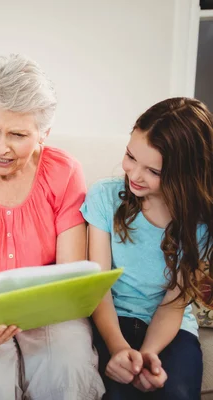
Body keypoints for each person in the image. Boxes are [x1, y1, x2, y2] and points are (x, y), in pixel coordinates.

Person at [0, 54, 105, 400]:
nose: (1, 147)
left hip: (48, 311)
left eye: (17, 134)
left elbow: (69, 276)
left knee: (67, 365)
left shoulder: (64, 172)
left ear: (44, 133)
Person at [81, 97, 213, 399]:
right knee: (117, 393)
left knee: (175, 391)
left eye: (154, 171)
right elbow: (97, 288)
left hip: (171, 329)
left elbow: (174, 304)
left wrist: (149, 355)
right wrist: (119, 350)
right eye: (130, 156)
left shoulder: (200, 223)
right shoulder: (104, 196)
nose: (135, 174)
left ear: (185, 175)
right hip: (113, 323)